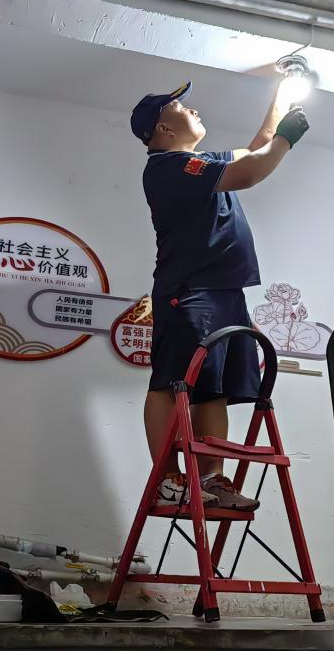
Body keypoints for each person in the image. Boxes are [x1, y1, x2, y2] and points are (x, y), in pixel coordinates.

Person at [130, 81, 310, 510]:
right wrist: (287, 139)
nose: (192, 109)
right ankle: (167, 478)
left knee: (214, 389)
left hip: (225, 291)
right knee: (171, 381)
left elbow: (257, 149)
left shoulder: (202, 163)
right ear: (163, 129)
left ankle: (212, 480)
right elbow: (250, 173)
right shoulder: (168, 167)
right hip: (189, 290)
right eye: (179, 106)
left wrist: (282, 95)